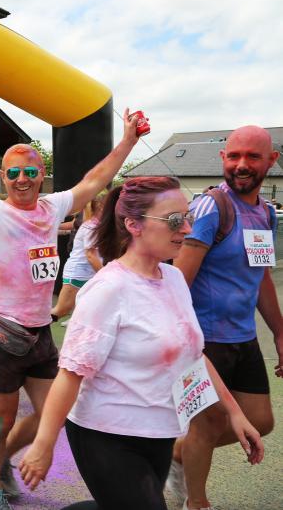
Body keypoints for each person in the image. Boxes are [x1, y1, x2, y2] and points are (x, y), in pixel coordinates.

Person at [0, 88, 142, 509]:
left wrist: (127, 140)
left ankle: (2, 464)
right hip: (1, 334)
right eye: (13, 173)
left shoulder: (52, 209)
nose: (22, 180)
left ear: (41, 176)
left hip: (39, 334)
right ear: (3, 177)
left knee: (53, 413)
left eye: (30, 172)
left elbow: (96, 180)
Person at [18, 176, 264, 510]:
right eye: (175, 220)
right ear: (133, 224)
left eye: (188, 216)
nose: (188, 228)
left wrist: (234, 414)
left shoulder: (174, 278)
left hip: (160, 431)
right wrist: (43, 444)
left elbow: (193, 354)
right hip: (105, 434)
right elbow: (71, 373)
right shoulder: (109, 289)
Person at [169, 125, 282, 510]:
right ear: (223, 159)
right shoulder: (210, 208)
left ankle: (174, 451)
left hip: (243, 337)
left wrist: (280, 334)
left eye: (252, 156)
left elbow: (261, 276)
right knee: (207, 425)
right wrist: (184, 343)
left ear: (271, 160)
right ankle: (195, 503)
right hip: (205, 339)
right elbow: (178, 281)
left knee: (261, 421)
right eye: (234, 156)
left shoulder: (267, 214)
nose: (242, 164)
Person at [50, 195, 104, 321]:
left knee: (87, 311)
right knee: (61, 310)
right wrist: (105, 274)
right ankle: (31, 329)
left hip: (84, 274)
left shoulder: (95, 225)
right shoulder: (92, 227)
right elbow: (90, 255)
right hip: (78, 274)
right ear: (101, 208)